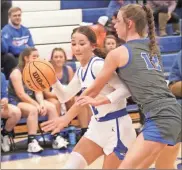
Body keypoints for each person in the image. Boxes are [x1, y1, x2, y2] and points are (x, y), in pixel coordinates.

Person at [43, 4, 181, 169]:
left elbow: (93, 91)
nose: (114, 24)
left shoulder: (118, 53)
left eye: (117, 21)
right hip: (174, 112)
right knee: (165, 167)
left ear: (129, 23)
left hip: (157, 117)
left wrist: (66, 118)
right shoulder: (152, 48)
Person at [41, 26, 136, 169]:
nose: (77, 48)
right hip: (97, 126)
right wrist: (52, 79)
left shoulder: (98, 65)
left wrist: (101, 100)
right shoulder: (81, 70)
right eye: (73, 44)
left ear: (93, 46)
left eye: (82, 43)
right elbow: (64, 96)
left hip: (117, 127)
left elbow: (125, 89)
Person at [9, 47, 68, 153]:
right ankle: (31, 142)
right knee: (33, 110)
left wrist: (41, 103)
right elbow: (21, 94)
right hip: (17, 102)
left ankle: (55, 136)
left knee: (51, 107)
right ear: (26, 58)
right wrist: (36, 105)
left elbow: (38, 91)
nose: (37, 58)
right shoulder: (16, 73)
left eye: (38, 56)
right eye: (34, 56)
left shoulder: (35, 71)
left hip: (32, 100)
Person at [44, 47, 91, 136]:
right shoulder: (47, 71)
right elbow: (46, 93)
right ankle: (56, 134)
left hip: (66, 96)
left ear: (65, 58)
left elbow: (73, 89)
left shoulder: (68, 69)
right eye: (56, 57)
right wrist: (61, 96)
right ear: (52, 59)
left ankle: (84, 130)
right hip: (52, 97)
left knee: (80, 101)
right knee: (56, 103)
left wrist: (68, 96)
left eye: (61, 57)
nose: (58, 59)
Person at [1, 72, 21, 152]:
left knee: (16, 112)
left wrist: (4, 101)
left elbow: (4, 95)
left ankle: (4, 134)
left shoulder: (1, 75)